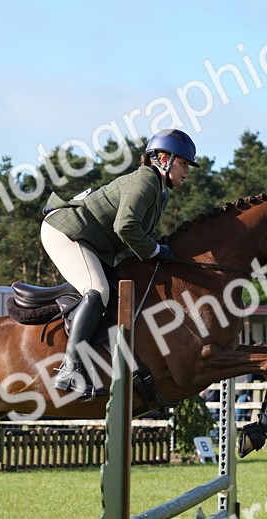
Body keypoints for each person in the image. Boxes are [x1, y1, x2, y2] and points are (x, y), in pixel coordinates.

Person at [40, 128, 198, 397]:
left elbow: (137, 234)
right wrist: (155, 251)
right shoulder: (146, 181)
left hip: (91, 243)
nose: (187, 171)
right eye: (183, 164)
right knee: (98, 291)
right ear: (163, 160)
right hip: (65, 232)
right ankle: (70, 369)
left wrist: (159, 250)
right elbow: (125, 226)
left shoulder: (160, 191)